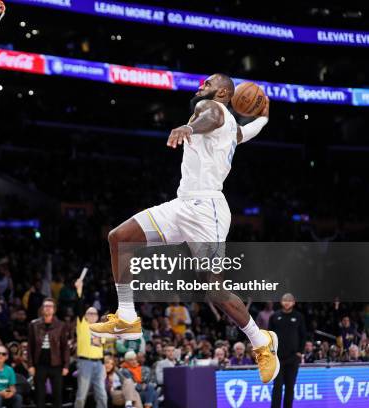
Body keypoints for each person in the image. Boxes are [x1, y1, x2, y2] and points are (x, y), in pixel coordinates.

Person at [89, 73, 278, 384]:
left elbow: (209, 117)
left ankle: (261, 341)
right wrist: (265, 118)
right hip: (182, 204)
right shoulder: (231, 127)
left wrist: (188, 127)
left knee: (213, 287)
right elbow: (247, 132)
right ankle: (125, 315)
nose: (202, 84)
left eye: (210, 82)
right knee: (120, 238)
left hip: (208, 210)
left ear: (224, 93)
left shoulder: (213, 109)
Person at [27, 297, 70, 408]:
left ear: (54, 309)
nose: (47, 308)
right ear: (42, 309)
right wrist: (30, 365)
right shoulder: (34, 324)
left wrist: (66, 365)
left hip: (56, 364)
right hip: (39, 364)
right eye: (45, 306)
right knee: (39, 396)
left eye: (50, 306)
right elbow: (30, 346)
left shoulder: (61, 325)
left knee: (57, 397)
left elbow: (65, 346)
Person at [73, 279, 107, 408]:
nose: (92, 315)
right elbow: (79, 305)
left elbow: (101, 349)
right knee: (82, 394)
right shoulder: (82, 325)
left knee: (102, 395)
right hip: (85, 362)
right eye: (89, 313)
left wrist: (103, 366)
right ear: (85, 316)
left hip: (99, 363)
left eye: (95, 313)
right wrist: (79, 290)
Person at [269, 293, 306, 408]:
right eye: (285, 300)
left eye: (289, 300)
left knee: (290, 387)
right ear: (281, 302)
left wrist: (300, 351)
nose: (287, 302)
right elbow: (269, 336)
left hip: (293, 357)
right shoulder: (274, 316)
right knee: (277, 386)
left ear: (294, 302)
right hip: (277, 358)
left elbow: (303, 335)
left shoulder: (299, 317)